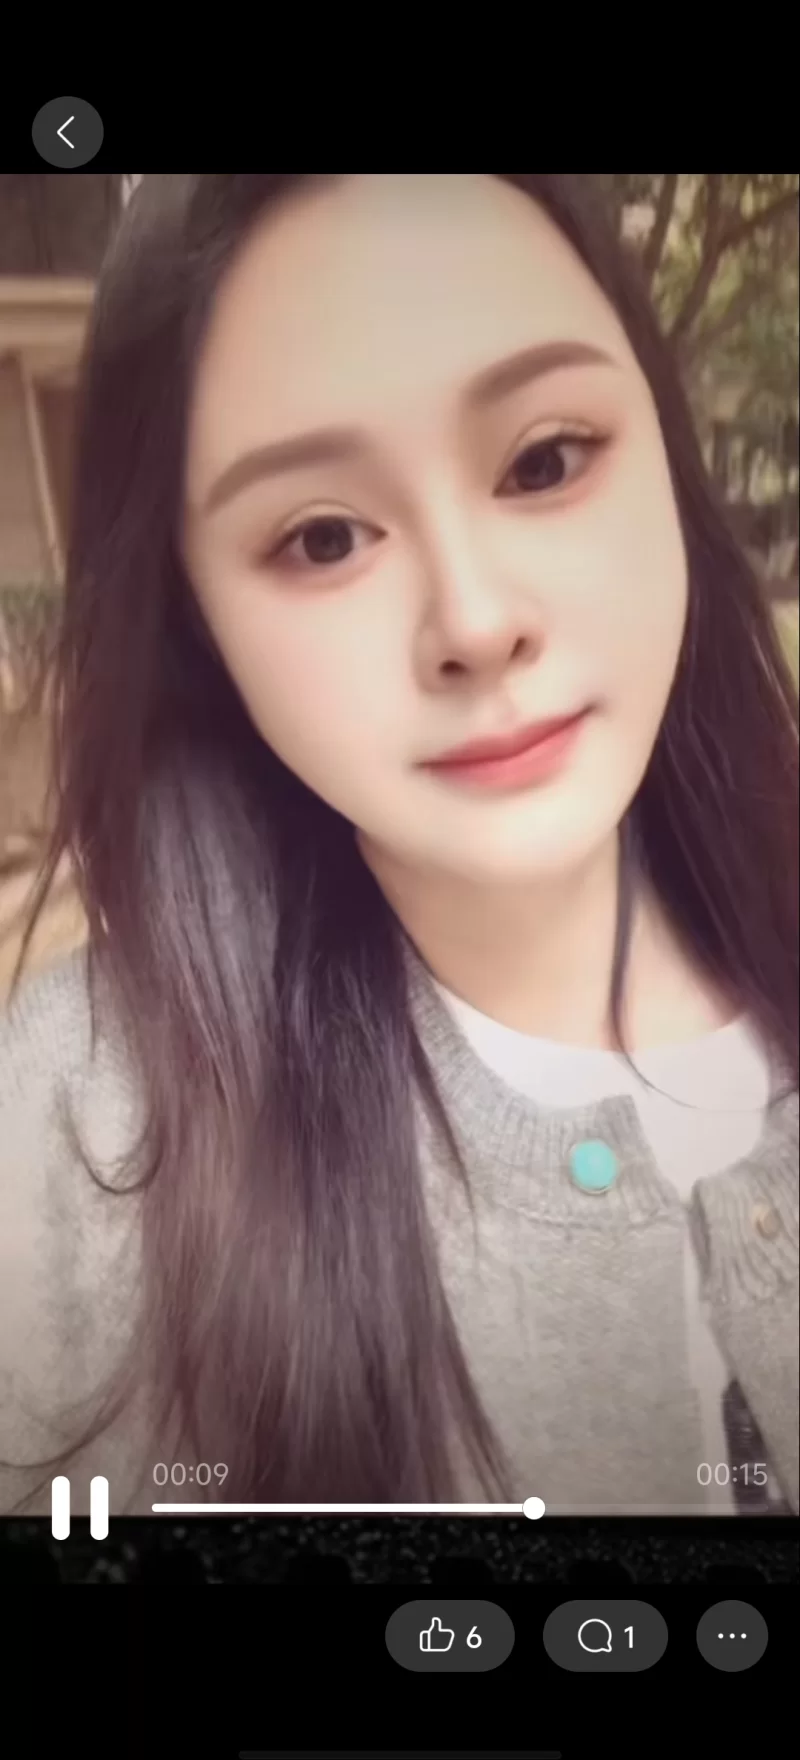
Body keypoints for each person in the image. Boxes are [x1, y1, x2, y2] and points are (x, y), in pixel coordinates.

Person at [0, 174, 797, 1519]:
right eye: (323, 538)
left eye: (545, 460)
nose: (474, 622)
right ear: (198, 625)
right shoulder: (72, 1133)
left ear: (669, 458)